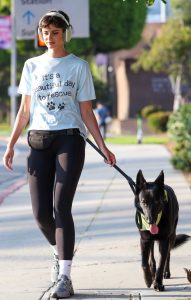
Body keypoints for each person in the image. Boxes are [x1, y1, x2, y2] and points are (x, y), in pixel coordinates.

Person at [3, 10, 116, 299]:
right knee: (41, 213)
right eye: (45, 33)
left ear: (65, 33)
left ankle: (64, 276)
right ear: (40, 36)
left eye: (55, 32)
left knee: (60, 206)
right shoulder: (31, 66)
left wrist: (103, 146)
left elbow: (87, 112)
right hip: (38, 140)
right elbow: (25, 111)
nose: (50, 37)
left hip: (70, 140)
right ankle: (59, 252)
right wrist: (11, 143)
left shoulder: (78, 66)